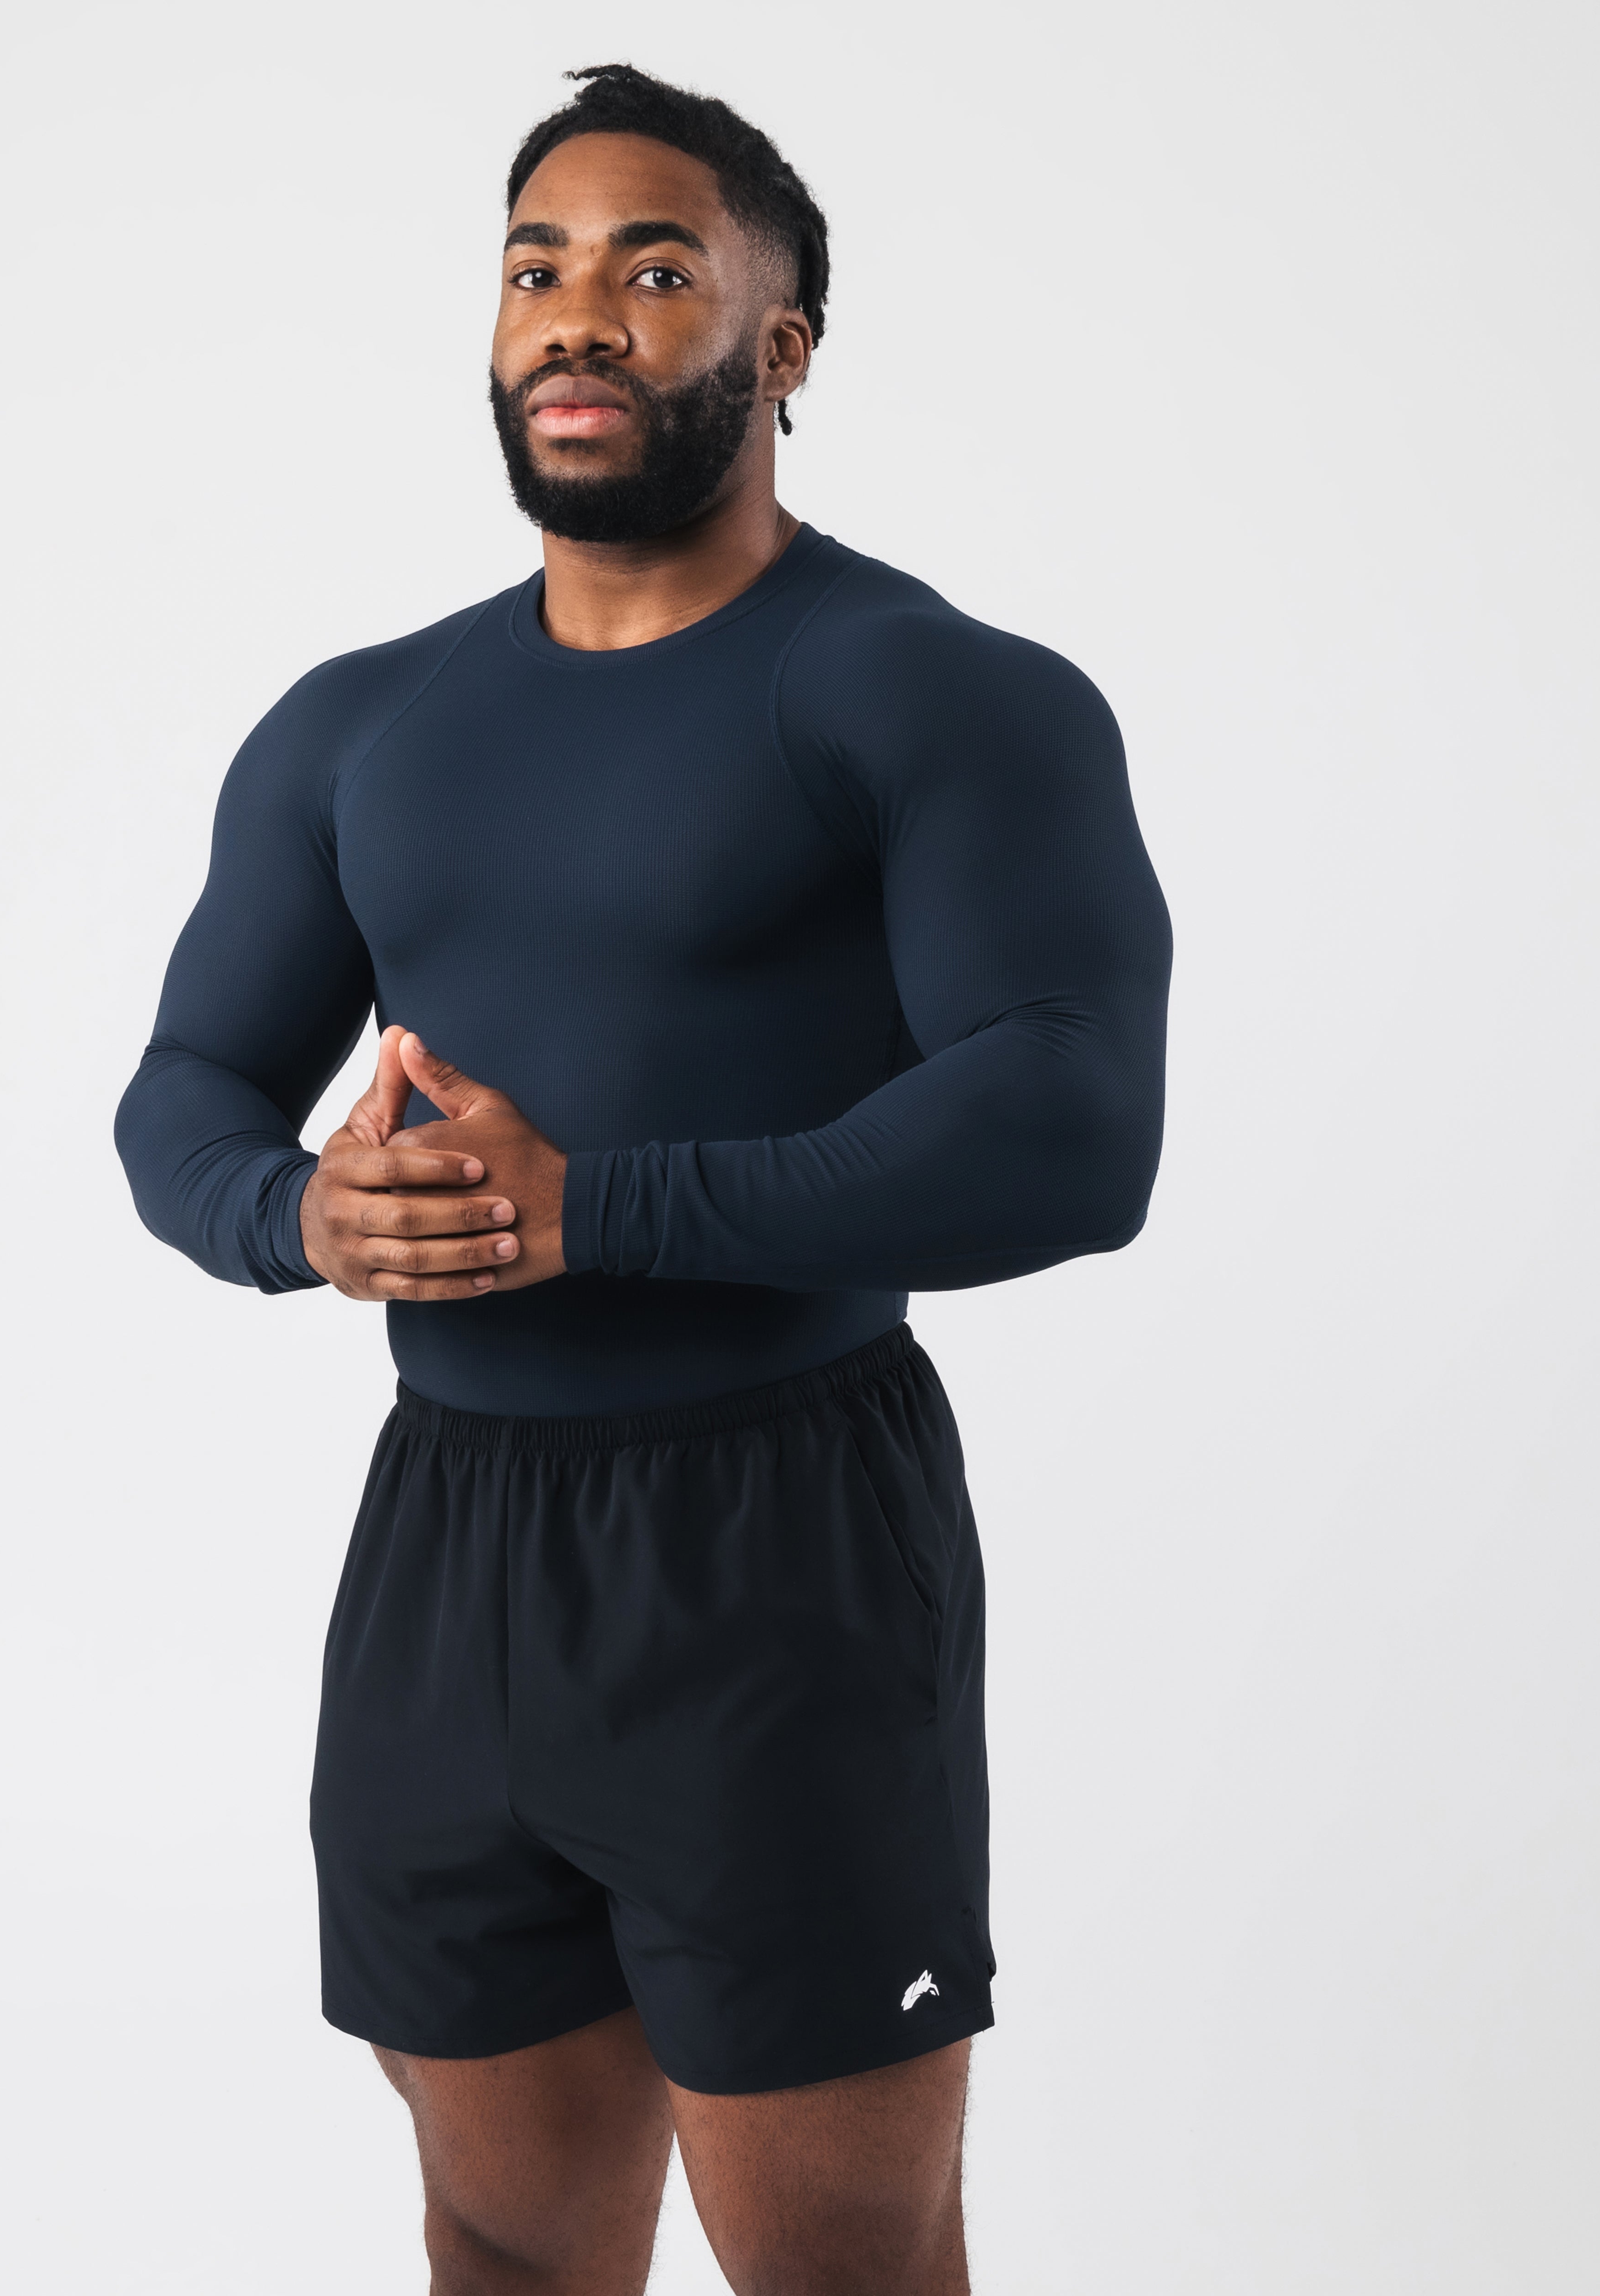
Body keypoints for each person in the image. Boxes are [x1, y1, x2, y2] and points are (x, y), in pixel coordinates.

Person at [116, 61, 1171, 2296]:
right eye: (537, 268)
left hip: (779, 1545)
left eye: (656, 269)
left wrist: (592, 1206)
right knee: (502, 2238)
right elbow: (186, 1091)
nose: (579, 312)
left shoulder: (931, 692)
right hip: (447, 1547)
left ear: (782, 347)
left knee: (841, 2266)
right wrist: (296, 1216)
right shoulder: (359, 722)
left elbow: (1075, 1123)